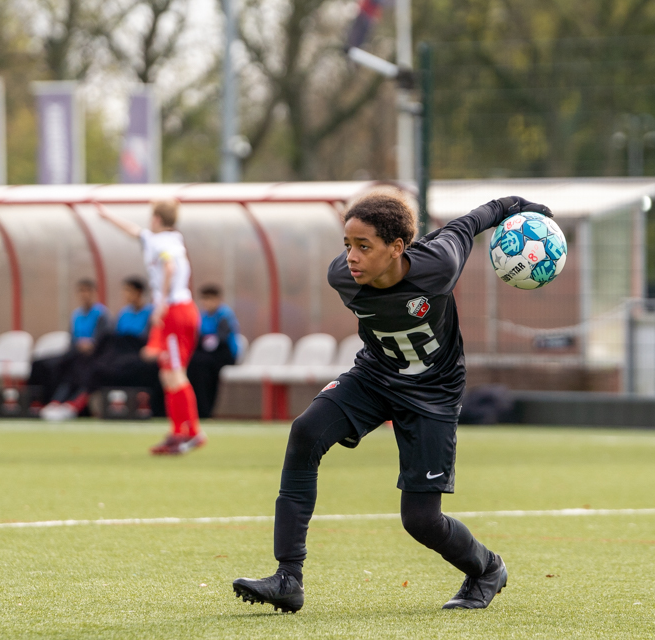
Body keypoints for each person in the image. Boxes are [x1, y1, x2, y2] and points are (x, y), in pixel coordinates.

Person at [232, 191, 554, 612]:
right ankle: (288, 577)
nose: (351, 257)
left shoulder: (440, 263)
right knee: (305, 432)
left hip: (433, 394)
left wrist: (522, 207)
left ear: (397, 248)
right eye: (347, 245)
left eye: (364, 247)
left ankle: (486, 568)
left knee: (420, 520)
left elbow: (478, 218)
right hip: (374, 376)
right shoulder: (342, 276)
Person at [97, 200, 205, 455]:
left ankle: (193, 432)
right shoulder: (163, 238)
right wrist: (107, 215)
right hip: (179, 310)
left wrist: (161, 303)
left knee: (176, 373)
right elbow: (134, 231)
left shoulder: (163, 243)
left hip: (175, 310)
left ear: (156, 218)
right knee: (167, 374)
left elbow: (169, 266)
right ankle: (177, 432)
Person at [41, 276, 156, 420]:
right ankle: (55, 402)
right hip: (109, 354)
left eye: (128, 291)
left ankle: (73, 405)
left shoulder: (150, 313)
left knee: (95, 368)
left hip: (134, 354)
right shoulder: (122, 313)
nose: (125, 295)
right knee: (60, 365)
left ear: (139, 292)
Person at [29, 279, 110, 412]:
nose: (84, 294)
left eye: (87, 291)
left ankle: (65, 403)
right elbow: (71, 338)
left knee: (74, 370)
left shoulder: (101, 315)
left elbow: (103, 340)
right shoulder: (76, 315)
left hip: (93, 356)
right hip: (74, 352)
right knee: (40, 364)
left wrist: (90, 345)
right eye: (81, 291)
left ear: (94, 293)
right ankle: (37, 403)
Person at [187, 284, 240, 418]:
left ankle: (205, 410)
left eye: (209, 299)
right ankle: (197, 408)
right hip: (207, 355)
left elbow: (221, 339)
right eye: (204, 299)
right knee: (193, 363)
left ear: (217, 300)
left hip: (224, 355)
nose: (206, 303)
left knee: (202, 365)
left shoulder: (225, 315)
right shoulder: (202, 316)